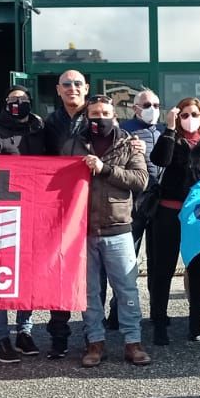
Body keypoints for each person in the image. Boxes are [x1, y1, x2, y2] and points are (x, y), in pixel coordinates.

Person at [58, 95, 151, 367]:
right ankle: (95, 343)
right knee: (89, 293)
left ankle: (133, 342)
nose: (100, 117)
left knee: (127, 290)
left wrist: (105, 169)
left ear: (115, 115)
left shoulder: (128, 144)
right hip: (83, 230)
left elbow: (140, 180)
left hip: (118, 228)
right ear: (87, 116)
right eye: (95, 113)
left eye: (105, 112)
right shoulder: (72, 144)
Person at [149, 98, 200, 344]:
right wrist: (170, 129)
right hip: (167, 213)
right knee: (162, 270)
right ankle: (159, 323)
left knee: (197, 269)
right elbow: (160, 160)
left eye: (194, 114)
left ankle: (195, 322)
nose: (189, 118)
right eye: (184, 114)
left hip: (197, 216)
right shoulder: (170, 139)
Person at [0, 85, 48, 361]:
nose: (18, 104)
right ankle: (1, 337)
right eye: (13, 100)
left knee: (26, 276)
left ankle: (24, 330)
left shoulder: (39, 129)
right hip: (2, 215)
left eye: (24, 100)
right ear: (5, 104)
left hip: (33, 213)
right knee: (0, 276)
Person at [41, 69, 91, 353]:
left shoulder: (98, 115)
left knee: (90, 276)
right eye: (66, 84)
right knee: (60, 271)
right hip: (60, 207)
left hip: (92, 205)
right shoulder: (50, 122)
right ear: (58, 90)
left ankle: (91, 337)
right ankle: (58, 337)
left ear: (86, 87)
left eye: (77, 84)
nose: (72, 88)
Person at [123, 89, 167, 255]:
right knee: (130, 253)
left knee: (157, 253)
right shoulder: (124, 130)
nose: (153, 109)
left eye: (156, 105)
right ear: (135, 109)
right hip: (135, 201)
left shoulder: (163, 130)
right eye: (147, 105)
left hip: (160, 200)